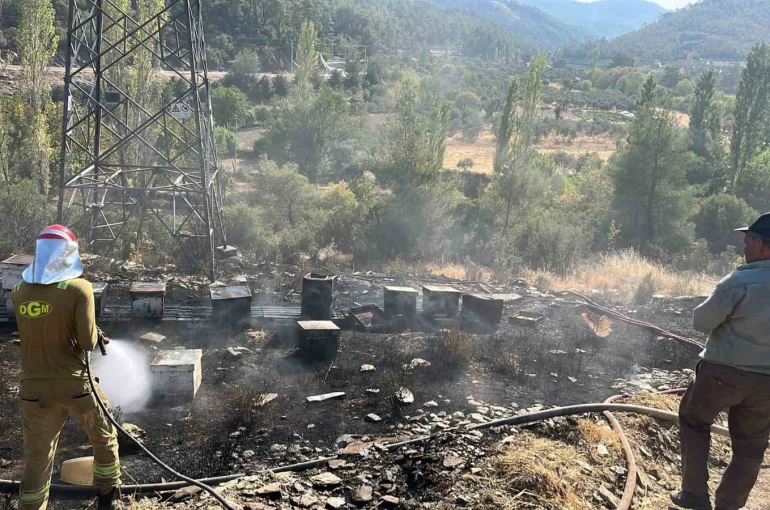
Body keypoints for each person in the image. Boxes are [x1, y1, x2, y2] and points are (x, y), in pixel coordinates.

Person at [11, 225, 120, 510]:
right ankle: (107, 499)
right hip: (76, 387)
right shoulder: (78, 288)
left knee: (37, 457)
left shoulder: (19, 291)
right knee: (103, 437)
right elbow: (86, 342)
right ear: (69, 253)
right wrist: (96, 332)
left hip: (33, 391)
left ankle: (31, 505)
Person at [671, 212, 770, 510]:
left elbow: (701, 322)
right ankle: (729, 505)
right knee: (750, 447)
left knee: (694, 420)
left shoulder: (740, 281)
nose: (744, 247)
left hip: (722, 373)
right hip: (767, 383)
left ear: (761, 244)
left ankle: (694, 495)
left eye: (748, 241)